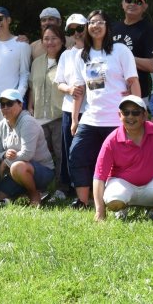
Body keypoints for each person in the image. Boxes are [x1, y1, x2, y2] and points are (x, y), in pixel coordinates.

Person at [68, 9, 140, 209]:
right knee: (77, 155)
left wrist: (137, 111)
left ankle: (117, 200)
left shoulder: (120, 50)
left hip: (118, 119)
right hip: (91, 118)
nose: (95, 26)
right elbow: (79, 91)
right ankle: (82, 200)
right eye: (92, 22)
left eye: (100, 22)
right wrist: (75, 119)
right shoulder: (81, 55)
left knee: (120, 162)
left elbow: (133, 82)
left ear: (108, 26)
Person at [93, 95, 153, 222]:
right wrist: (100, 211)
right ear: (119, 115)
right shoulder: (112, 140)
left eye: (135, 112)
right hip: (123, 184)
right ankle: (123, 207)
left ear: (144, 115)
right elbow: (99, 177)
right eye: (126, 112)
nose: (130, 117)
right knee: (114, 201)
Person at [0, 88, 54, 206]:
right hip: (15, 172)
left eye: (9, 103)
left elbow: (27, 154)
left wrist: (6, 162)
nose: (5, 107)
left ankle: (34, 196)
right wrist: (4, 155)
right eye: (2, 105)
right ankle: (28, 193)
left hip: (42, 170)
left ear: (20, 104)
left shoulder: (28, 122)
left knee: (18, 167)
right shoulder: (0, 126)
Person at [51, 13, 88, 201]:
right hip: (68, 109)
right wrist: (69, 89)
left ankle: (86, 187)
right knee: (68, 150)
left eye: (80, 28)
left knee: (87, 150)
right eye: (71, 30)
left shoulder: (95, 52)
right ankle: (66, 186)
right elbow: (59, 83)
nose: (77, 33)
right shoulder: (66, 54)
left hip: (91, 110)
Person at [110, 0, 153, 110]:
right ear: (122, 3)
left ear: (145, 7)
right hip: (110, 93)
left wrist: (124, 57)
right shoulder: (111, 28)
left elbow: (152, 65)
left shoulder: (149, 30)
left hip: (136, 94)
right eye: (129, 0)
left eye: (138, 2)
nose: (132, 4)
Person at [29, 25, 65, 185]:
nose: (50, 42)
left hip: (59, 115)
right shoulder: (37, 62)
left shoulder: (66, 60)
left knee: (60, 153)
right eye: (46, 38)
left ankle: (62, 187)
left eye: (54, 38)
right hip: (39, 116)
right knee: (41, 155)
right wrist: (30, 106)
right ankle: (43, 185)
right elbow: (32, 86)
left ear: (62, 40)